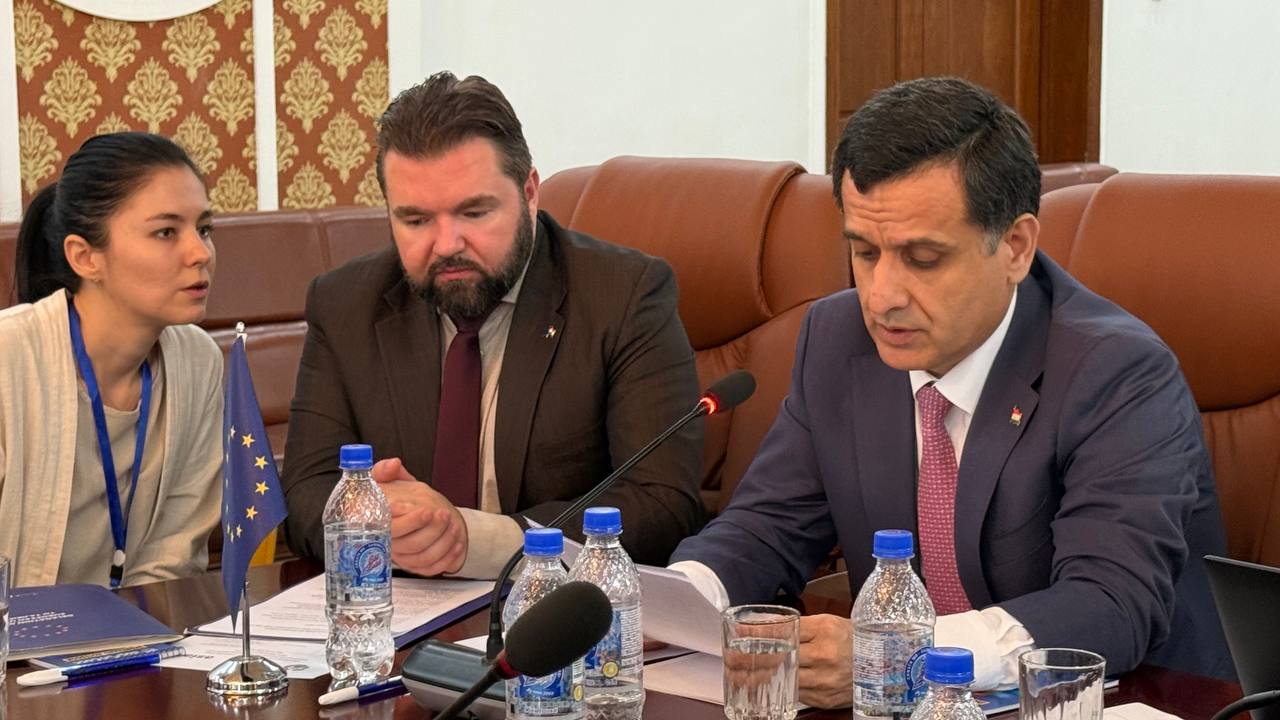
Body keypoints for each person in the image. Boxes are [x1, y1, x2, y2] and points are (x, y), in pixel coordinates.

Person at [670, 76, 1232, 707]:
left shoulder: (1116, 372)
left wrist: (898, 655)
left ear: (1015, 247)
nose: (882, 296)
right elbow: (765, 528)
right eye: (865, 252)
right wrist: (668, 603)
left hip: (1122, 702)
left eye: (923, 259)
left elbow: (1110, 604)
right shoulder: (837, 339)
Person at [282, 72, 703, 578]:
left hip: (555, 606)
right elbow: (304, 493)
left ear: (529, 192)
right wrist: (383, 523)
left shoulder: (624, 296)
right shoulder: (345, 303)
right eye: (415, 221)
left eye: (474, 212)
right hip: (393, 602)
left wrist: (473, 540)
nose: (446, 244)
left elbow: (662, 502)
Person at [0, 132, 223, 588]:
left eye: (203, 229)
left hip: (137, 627)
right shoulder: (9, 358)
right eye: (166, 232)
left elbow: (174, 555)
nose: (200, 253)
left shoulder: (199, 361)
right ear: (85, 257)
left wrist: (133, 625)